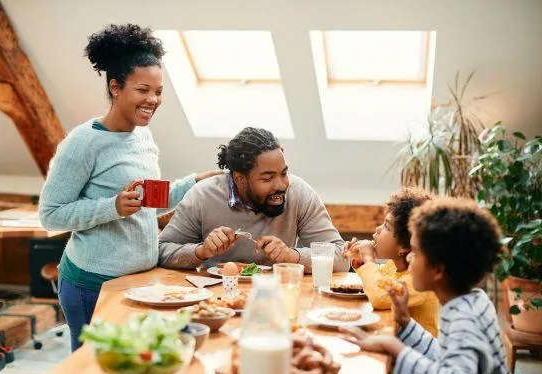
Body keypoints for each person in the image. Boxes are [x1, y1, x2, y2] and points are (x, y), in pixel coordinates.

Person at [39, 24, 219, 351]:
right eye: (143, 89)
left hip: (140, 282)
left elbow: (148, 203)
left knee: (135, 370)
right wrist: (113, 207)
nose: (153, 100)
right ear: (116, 87)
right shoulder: (82, 143)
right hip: (91, 284)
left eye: (159, 91)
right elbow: (51, 215)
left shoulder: (142, 135)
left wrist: (194, 183)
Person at [340, 198, 518, 374]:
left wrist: (396, 348)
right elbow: (443, 356)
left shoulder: (465, 318)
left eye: (415, 252)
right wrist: (406, 322)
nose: (408, 258)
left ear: (438, 270)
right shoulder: (471, 301)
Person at [158, 127, 348, 272]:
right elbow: (161, 251)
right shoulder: (202, 196)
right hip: (217, 299)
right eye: (267, 178)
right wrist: (202, 251)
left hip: (279, 295)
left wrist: (293, 256)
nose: (281, 185)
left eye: (284, 173)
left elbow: (342, 256)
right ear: (240, 179)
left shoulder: (299, 193)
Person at [346, 187, 439, 336]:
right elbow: (374, 283)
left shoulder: (421, 281)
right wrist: (362, 261)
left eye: (387, 227)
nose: (377, 229)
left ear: (405, 247)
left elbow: (379, 296)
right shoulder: (393, 266)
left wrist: (369, 260)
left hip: (417, 353)